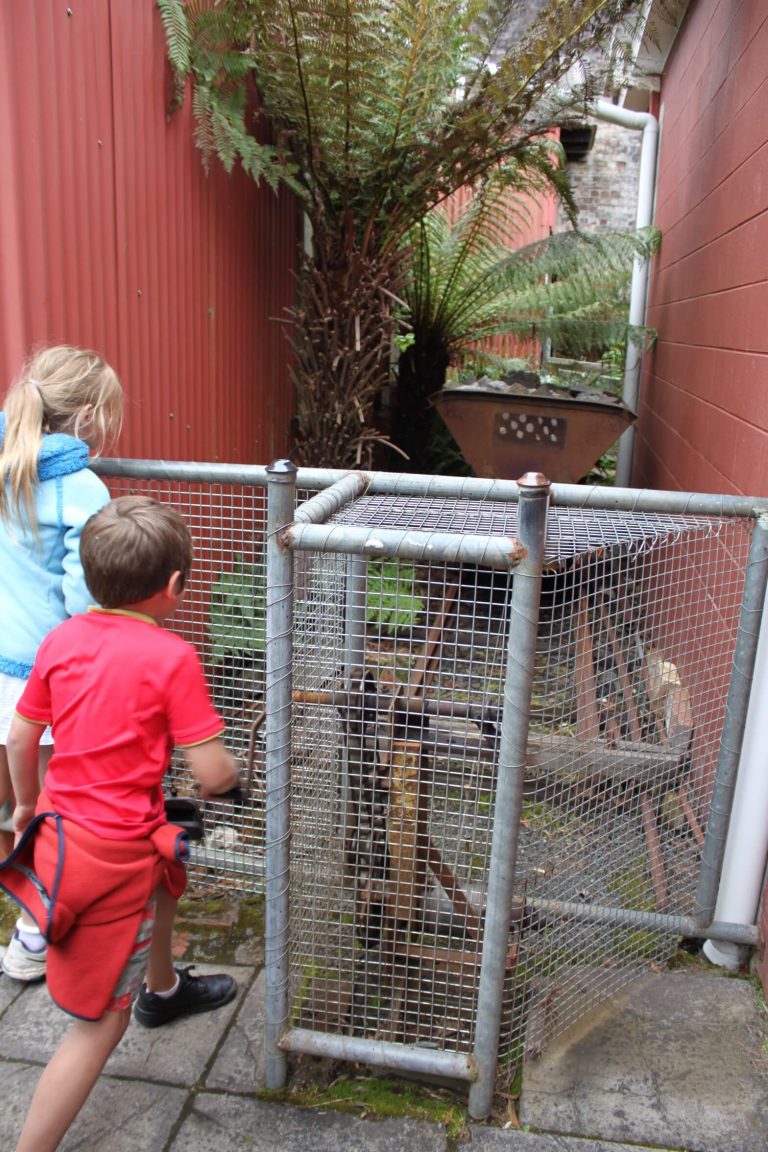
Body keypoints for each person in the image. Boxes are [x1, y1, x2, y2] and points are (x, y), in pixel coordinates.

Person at [1, 494, 242, 1152]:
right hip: (112, 855)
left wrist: (25, 806)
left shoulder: (62, 638)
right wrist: (235, 773)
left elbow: (23, 736)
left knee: (176, 847)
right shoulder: (171, 658)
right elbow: (213, 772)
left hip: (62, 826)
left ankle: (160, 988)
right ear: (173, 588)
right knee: (96, 1026)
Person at [0, 345, 123, 981]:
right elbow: (84, 594)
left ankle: (23, 916)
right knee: (51, 810)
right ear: (90, 416)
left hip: (0, 662)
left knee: (10, 802)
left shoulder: (6, 463)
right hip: (42, 676)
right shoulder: (78, 486)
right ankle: (30, 936)